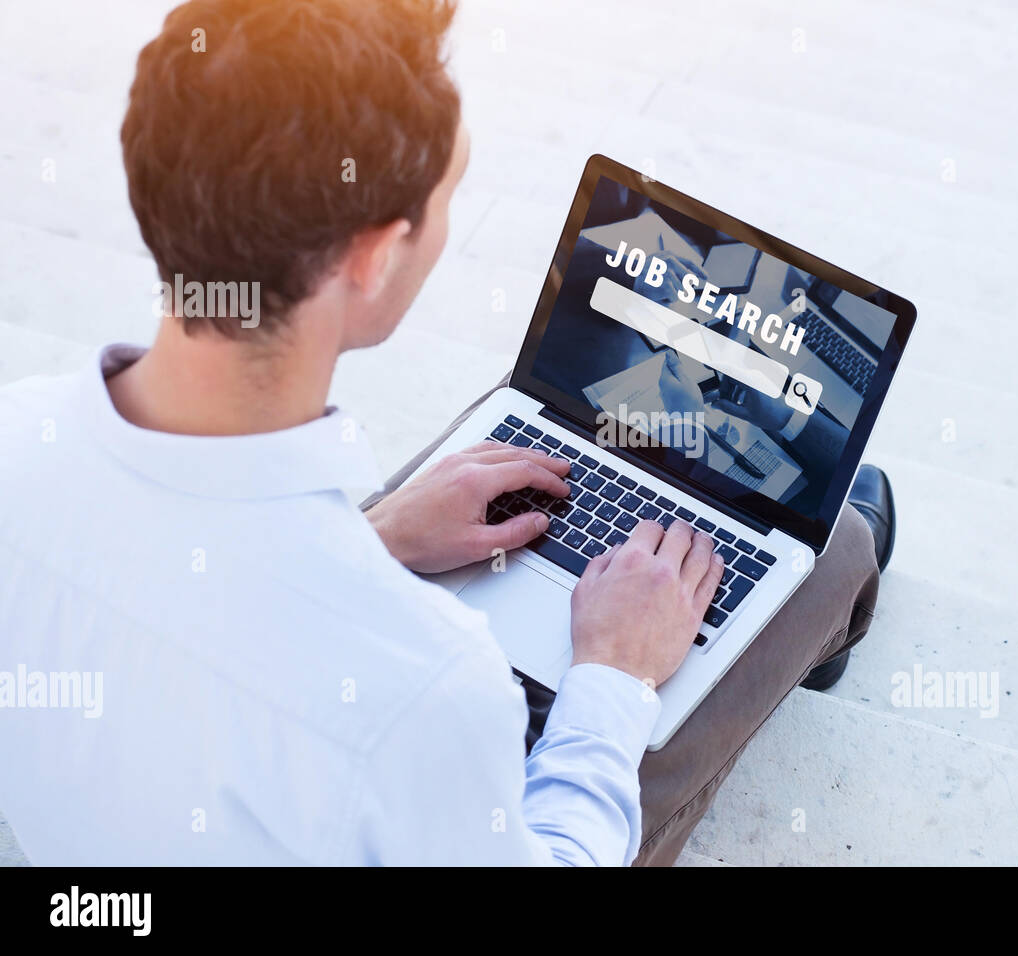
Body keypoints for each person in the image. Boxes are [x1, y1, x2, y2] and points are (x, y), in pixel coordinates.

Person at [0, 0, 893, 866]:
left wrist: (370, 541)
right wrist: (615, 679)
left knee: (510, 434)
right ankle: (824, 608)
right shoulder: (430, 690)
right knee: (837, 547)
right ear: (374, 255)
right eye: (448, 196)